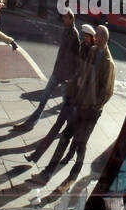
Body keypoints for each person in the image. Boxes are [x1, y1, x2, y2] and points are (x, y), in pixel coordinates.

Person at [38, 24, 114, 187]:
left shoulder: (109, 63)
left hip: (91, 111)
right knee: (65, 136)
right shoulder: (93, 51)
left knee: (80, 144)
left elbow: (107, 92)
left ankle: (73, 175)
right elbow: (83, 72)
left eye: (98, 34)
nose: (95, 37)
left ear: (104, 38)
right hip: (79, 104)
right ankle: (47, 171)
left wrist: (93, 106)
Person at [24, 25, 95, 169]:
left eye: (87, 37)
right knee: (56, 127)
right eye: (84, 36)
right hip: (71, 97)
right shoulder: (82, 48)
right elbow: (76, 67)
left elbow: (91, 78)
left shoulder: (93, 53)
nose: (84, 39)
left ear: (92, 38)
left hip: (79, 103)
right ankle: (35, 155)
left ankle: (70, 159)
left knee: (73, 137)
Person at [13, 7, 79, 132]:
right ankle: (29, 124)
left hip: (65, 77)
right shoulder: (65, 31)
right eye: (63, 17)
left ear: (71, 18)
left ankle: (72, 127)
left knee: (66, 105)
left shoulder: (74, 35)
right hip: (57, 72)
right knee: (43, 99)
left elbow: (76, 58)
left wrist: (70, 77)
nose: (63, 19)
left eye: (65, 17)